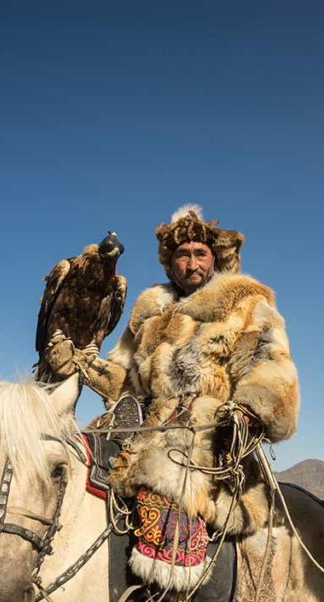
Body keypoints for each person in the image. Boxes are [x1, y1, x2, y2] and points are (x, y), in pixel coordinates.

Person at [83, 205, 299, 555]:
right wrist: (83, 365)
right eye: (183, 254)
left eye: (201, 253)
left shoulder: (244, 302)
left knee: (167, 491)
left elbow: (272, 363)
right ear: (170, 262)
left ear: (214, 258)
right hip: (145, 424)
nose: (192, 262)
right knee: (77, 460)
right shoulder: (151, 309)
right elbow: (123, 375)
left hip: (213, 435)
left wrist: (248, 411)